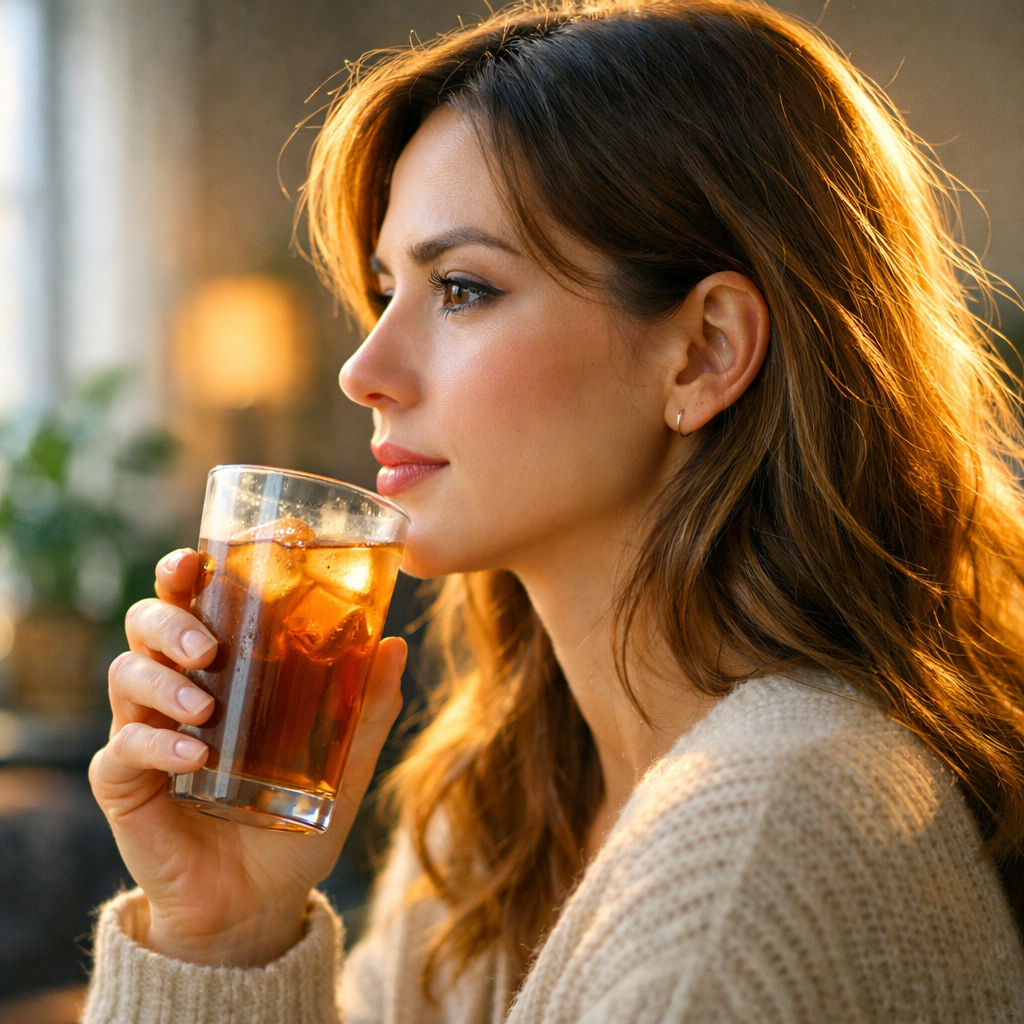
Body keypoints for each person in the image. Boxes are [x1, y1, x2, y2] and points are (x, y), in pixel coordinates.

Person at [84, 1, 1024, 1021]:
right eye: (383, 286)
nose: (363, 370)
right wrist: (222, 931)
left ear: (705, 350)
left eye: (461, 288)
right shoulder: (500, 803)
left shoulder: (758, 841)